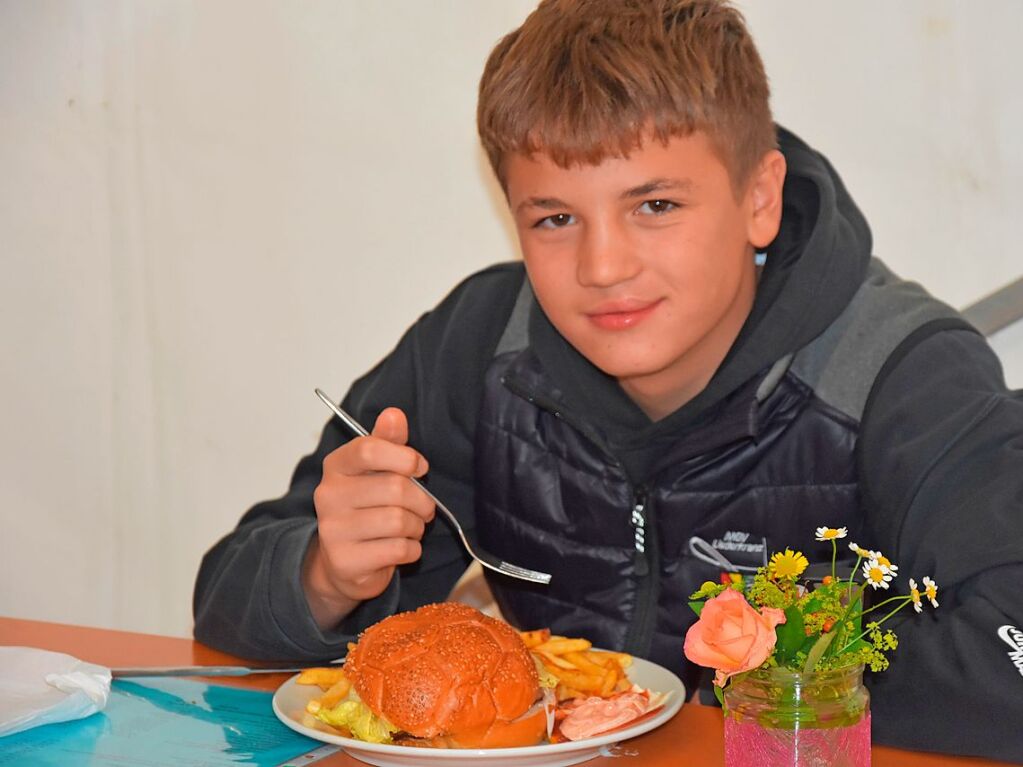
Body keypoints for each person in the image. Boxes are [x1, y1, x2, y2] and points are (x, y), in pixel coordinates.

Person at [193, 1, 1023, 760]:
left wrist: (755, 672)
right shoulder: (480, 343)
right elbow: (223, 595)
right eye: (555, 218)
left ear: (758, 197)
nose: (602, 266)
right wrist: (324, 577)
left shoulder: (901, 371)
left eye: (654, 205)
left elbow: (1009, 662)